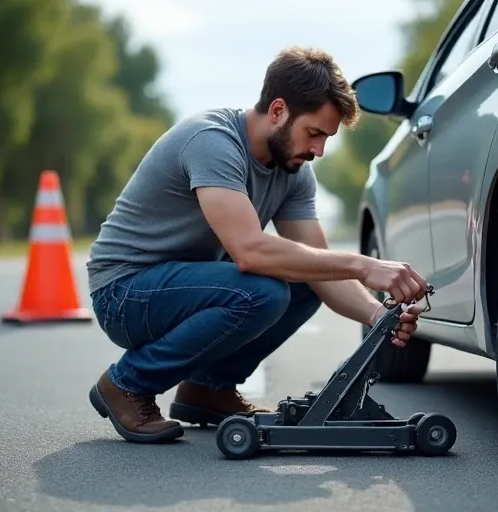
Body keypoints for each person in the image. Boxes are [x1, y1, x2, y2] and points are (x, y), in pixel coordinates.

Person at [86, 46, 429, 444]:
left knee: (306, 279)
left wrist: (376, 315)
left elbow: (321, 267)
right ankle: (126, 384)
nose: (318, 151)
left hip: (179, 292)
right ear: (279, 110)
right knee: (262, 290)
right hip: (124, 293)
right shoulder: (212, 141)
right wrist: (365, 265)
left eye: (326, 139)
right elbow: (250, 252)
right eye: (314, 133)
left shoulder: (294, 171)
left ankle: (209, 388)